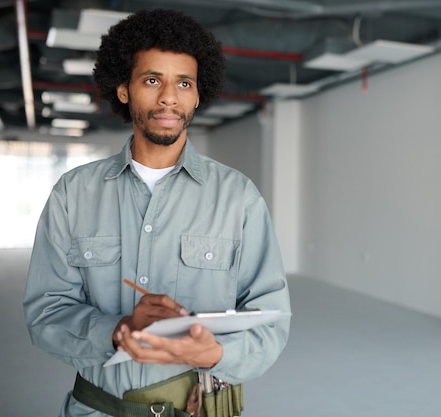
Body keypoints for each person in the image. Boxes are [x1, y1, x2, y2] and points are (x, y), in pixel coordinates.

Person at [23, 8, 291, 417]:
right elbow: (46, 314)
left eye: (184, 83)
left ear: (198, 95)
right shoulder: (72, 194)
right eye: (152, 80)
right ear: (125, 90)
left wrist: (215, 350)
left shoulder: (239, 198)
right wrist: (118, 329)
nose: (169, 96)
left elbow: (270, 322)